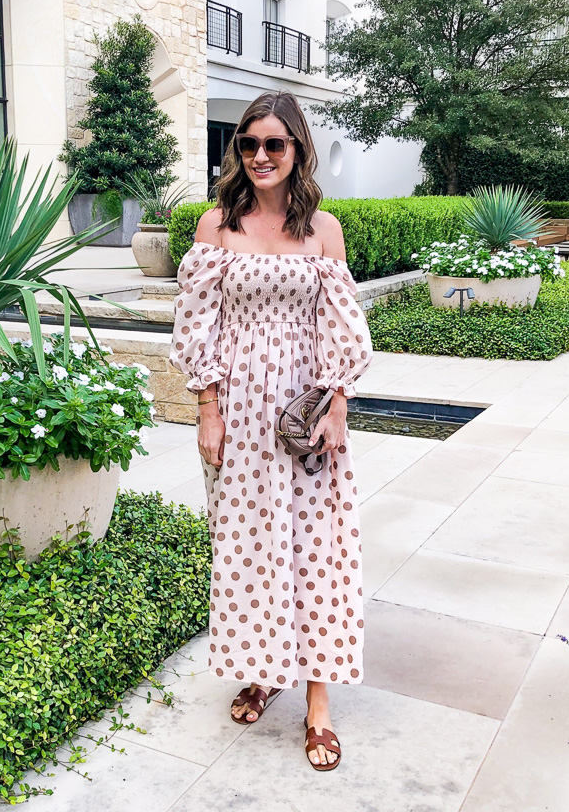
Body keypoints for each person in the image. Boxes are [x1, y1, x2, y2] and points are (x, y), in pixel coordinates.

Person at [169, 90, 373, 771]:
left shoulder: (324, 230)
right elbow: (199, 328)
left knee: (319, 550)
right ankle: (263, 668)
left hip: (304, 413)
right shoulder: (215, 227)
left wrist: (338, 406)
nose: (260, 155)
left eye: (274, 144)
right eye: (249, 143)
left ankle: (317, 705)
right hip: (241, 415)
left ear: (298, 151)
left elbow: (339, 325)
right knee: (252, 549)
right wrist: (208, 409)